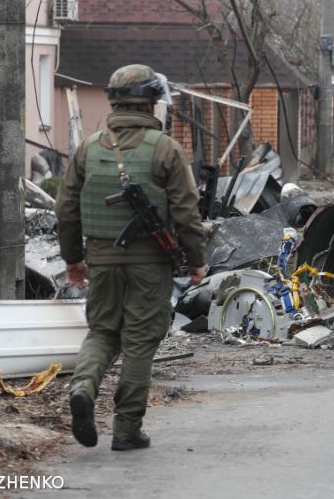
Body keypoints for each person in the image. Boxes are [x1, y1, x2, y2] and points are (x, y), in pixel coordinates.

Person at [56, 64, 207, 451]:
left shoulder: (88, 148)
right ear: (151, 103)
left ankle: (84, 390)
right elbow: (187, 213)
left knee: (103, 332)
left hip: (101, 260)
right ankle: (126, 430)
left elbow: (66, 209)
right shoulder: (166, 149)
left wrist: (73, 259)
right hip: (150, 264)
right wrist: (196, 260)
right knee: (140, 340)